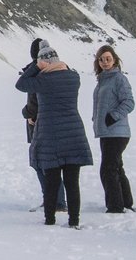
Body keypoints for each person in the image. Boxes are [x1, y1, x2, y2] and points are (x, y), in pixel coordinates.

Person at [15, 39, 92, 228]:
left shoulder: (42, 81)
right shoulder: (74, 78)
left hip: (50, 136)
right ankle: (74, 220)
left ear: (43, 62)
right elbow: (65, 69)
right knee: (72, 183)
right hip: (74, 134)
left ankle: (50, 219)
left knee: (52, 181)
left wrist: (36, 65)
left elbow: (21, 83)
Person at [21, 38, 65, 214]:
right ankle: (54, 199)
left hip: (41, 124)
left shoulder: (40, 72)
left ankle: (56, 201)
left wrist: (29, 114)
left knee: (43, 163)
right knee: (47, 163)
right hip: (45, 122)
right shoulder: (55, 69)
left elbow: (35, 98)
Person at [91, 44, 135, 213]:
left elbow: (129, 102)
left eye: (108, 59)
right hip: (106, 131)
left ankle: (115, 206)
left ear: (115, 60)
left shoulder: (119, 79)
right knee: (116, 166)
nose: (105, 62)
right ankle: (125, 201)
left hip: (117, 131)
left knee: (108, 169)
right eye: (101, 59)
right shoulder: (103, 79)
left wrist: (113, 116)